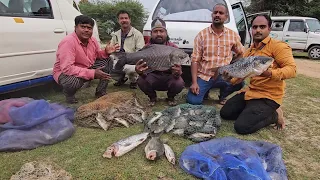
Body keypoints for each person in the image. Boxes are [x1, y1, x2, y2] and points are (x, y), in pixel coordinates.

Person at [220, 14, 297, 134]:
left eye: (262, 27)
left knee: (241, 127)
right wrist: (229, 79)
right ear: (251, 30)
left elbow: (292, 70)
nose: (258, 30)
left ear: (269, 29)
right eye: (255, 27)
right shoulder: (249, 52)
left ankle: (274, 115)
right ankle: (251, 111)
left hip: (268, 96)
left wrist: (269, 73)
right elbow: (239, 78)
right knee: (225, 113)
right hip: (251, 92)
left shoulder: (279, 47)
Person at [186, 3, 245, 105]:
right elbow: (195, 60)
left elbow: (241, 53)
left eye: (221, 13)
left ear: (226, 17)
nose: (217, 15)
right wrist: (195, 83)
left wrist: (232, 65)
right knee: (193, 101)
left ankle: (223, 95)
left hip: (224, 75)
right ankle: (204, 91)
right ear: (212, 15)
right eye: (215, 12)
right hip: (205, 75)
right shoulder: (201, 35)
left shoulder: (233, 35)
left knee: (240, 83)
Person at [53, 15, 119, 104]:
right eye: (83, 27)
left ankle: (100, 91)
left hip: (87, 67)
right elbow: (67, 68)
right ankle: (69, 95)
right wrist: (92, 73)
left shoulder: (92, 40)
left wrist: (106, 52)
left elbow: (97, 55)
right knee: (72, 82)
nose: (86, 30)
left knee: (108, 60)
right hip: (65, 74)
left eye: (89, 28)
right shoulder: (68, 42)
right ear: (75, 27)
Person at [135, 18, 184, 106]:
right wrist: (140, 72)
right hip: (153, 76)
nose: (158, 34)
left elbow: (178, 71)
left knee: (179, 83)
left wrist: (178, 72)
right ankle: (152, 97)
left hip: (169, 77)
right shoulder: (147, 48)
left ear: (166, 33)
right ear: (151, 34)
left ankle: (170, 97)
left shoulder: (174, 48)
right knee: (141, 81)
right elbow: (143, 71)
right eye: (155, 31)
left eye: (161, 31)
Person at [110, 10, 145, 89]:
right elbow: (111, 50)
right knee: (107, 64)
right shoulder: (115, 34)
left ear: (130, 20)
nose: (124, 20)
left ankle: (134, 80)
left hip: (132, 61)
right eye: (121, 18)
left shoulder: (137, 34)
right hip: (119, 59)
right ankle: (121, 78)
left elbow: (140, 52)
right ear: (118, 20)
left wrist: (127, 59)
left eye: (126, 18)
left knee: (129, 68)